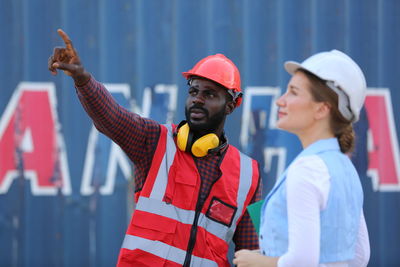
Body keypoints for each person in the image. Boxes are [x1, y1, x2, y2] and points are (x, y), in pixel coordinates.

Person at [48, 29, 262, 267]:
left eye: (210, 94)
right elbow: (111, 117)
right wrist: (82, 78)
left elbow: (253, 253)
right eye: (193, 91)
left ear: (231, 105)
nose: (197, 99)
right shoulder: (154, 141)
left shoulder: (249, 175)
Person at [233, 50, 370, 267]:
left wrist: (258, 261)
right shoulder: (345, 168)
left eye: (293, 92)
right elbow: (360, 255)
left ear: (322, 109)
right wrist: (273, 254)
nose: (280, 101)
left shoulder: (306, 170)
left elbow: (302, 261)